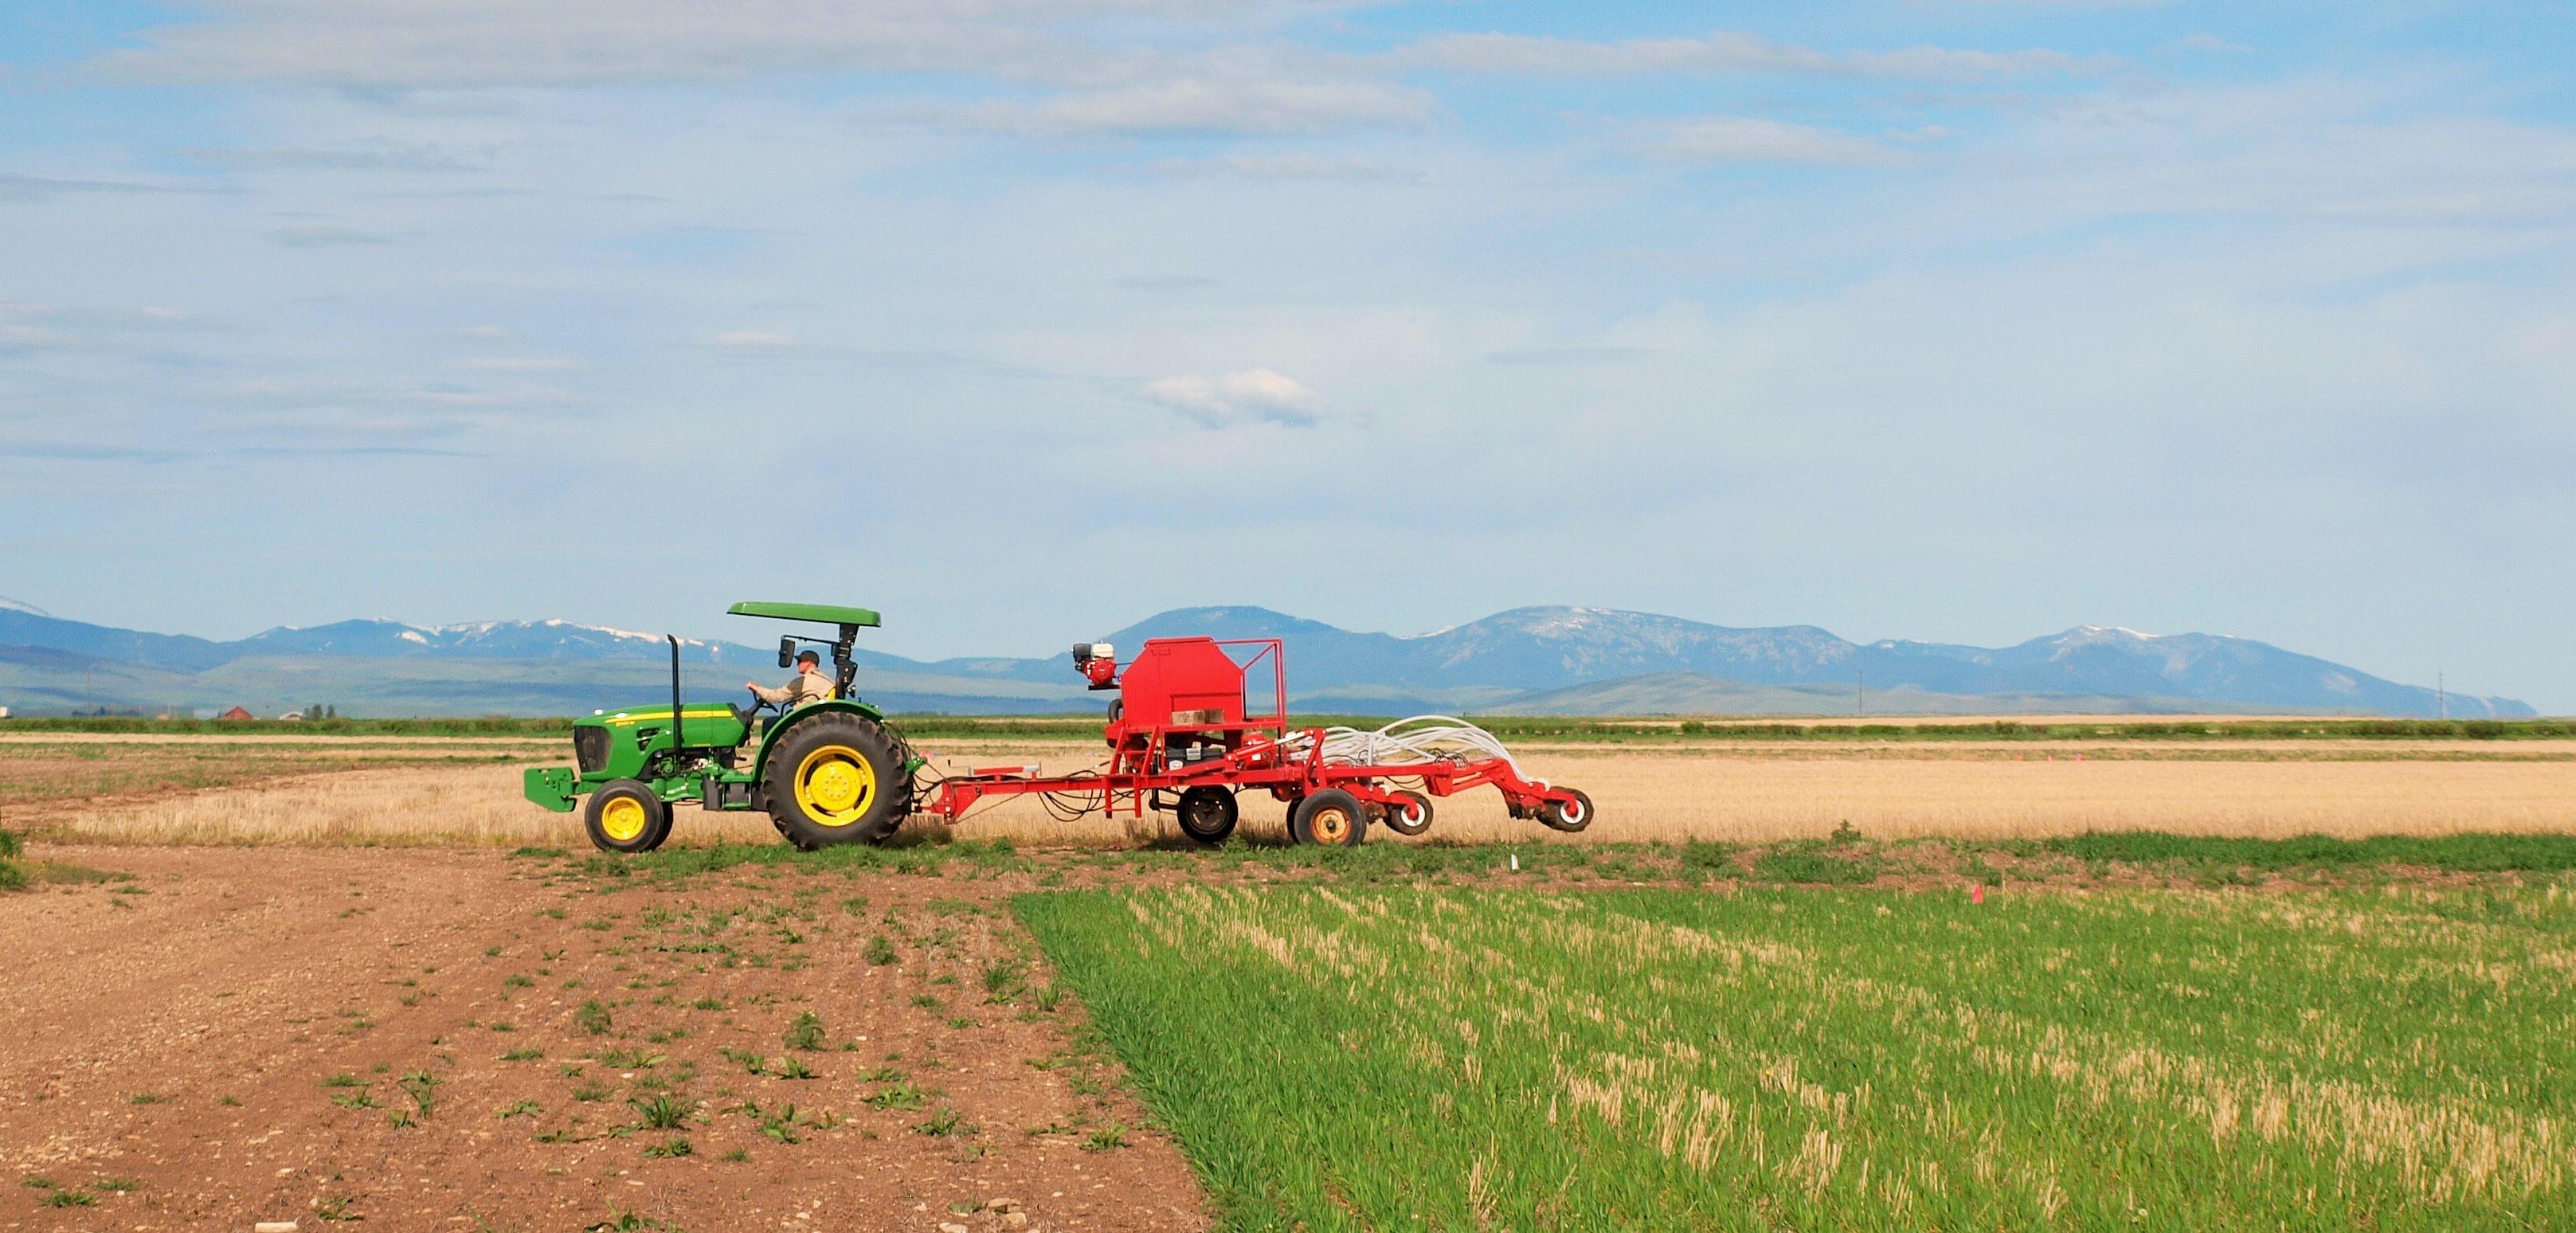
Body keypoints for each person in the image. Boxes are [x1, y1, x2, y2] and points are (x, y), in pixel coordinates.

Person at [748, 650, 833, 709]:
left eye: (799, 661)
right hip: (817, 715)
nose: (797, 664)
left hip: (805, 719)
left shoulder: (805, 681)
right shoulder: (827, 680)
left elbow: (776, 696)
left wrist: (756, 688)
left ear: (808, 663)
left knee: (769, 722)